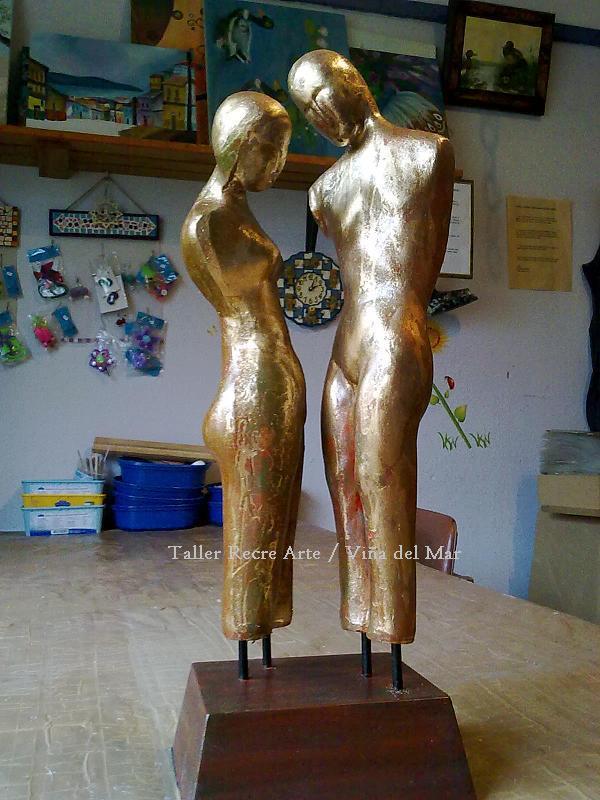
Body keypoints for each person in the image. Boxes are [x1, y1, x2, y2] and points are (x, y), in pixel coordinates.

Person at [289, 51, 454, 644]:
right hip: (346, 350)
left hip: (393, 336)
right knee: (344, 486)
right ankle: (358, 610)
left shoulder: (428, 153)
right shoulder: (323, 189)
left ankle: (392, 622)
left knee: (384, 480)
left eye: (323, 94)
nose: (321, 113)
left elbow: (430, 257)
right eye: (308, 109)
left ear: (352, 82)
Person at [181, 92, 306, 641]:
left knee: (275, 522)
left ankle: (262, 623)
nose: (279, 163)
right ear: (240, 144)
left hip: (269, 379)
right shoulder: (210, 222)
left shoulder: (236, 211)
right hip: (255, 383)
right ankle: (247, 628)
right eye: (271, 149)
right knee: (257, 528)